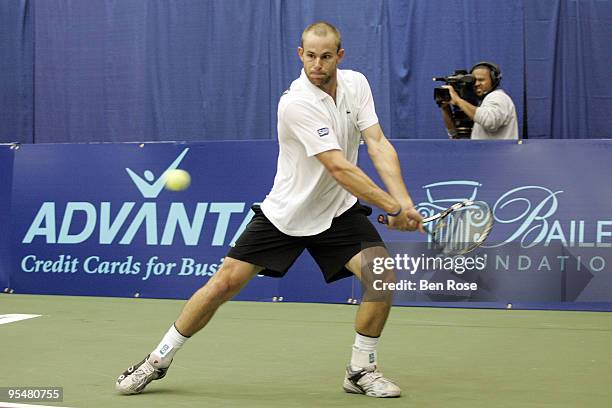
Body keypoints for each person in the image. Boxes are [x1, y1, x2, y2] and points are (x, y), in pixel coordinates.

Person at [115, 21, 423, 399]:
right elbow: (339, 167)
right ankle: (157, 360)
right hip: (286, 214)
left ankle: (360, 370)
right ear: (300, 54)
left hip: (337, 212)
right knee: (222, 285)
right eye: (310, 56)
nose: (317, 64)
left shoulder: (356, 85)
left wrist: (404, 202)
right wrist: (391, 206)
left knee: (381, 275)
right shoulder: (296, 102)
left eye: (326, 56)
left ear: (339, 56)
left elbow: (376, 142)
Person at [440, 61, 519, 139]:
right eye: (474, 81)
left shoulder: (498, 96)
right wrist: (445, 108)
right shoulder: (483, 103)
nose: (476, 84)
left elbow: (489, 121)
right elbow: (454, 134)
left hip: (497, 151)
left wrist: (458, 100)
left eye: (481, 80)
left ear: (494, 80)